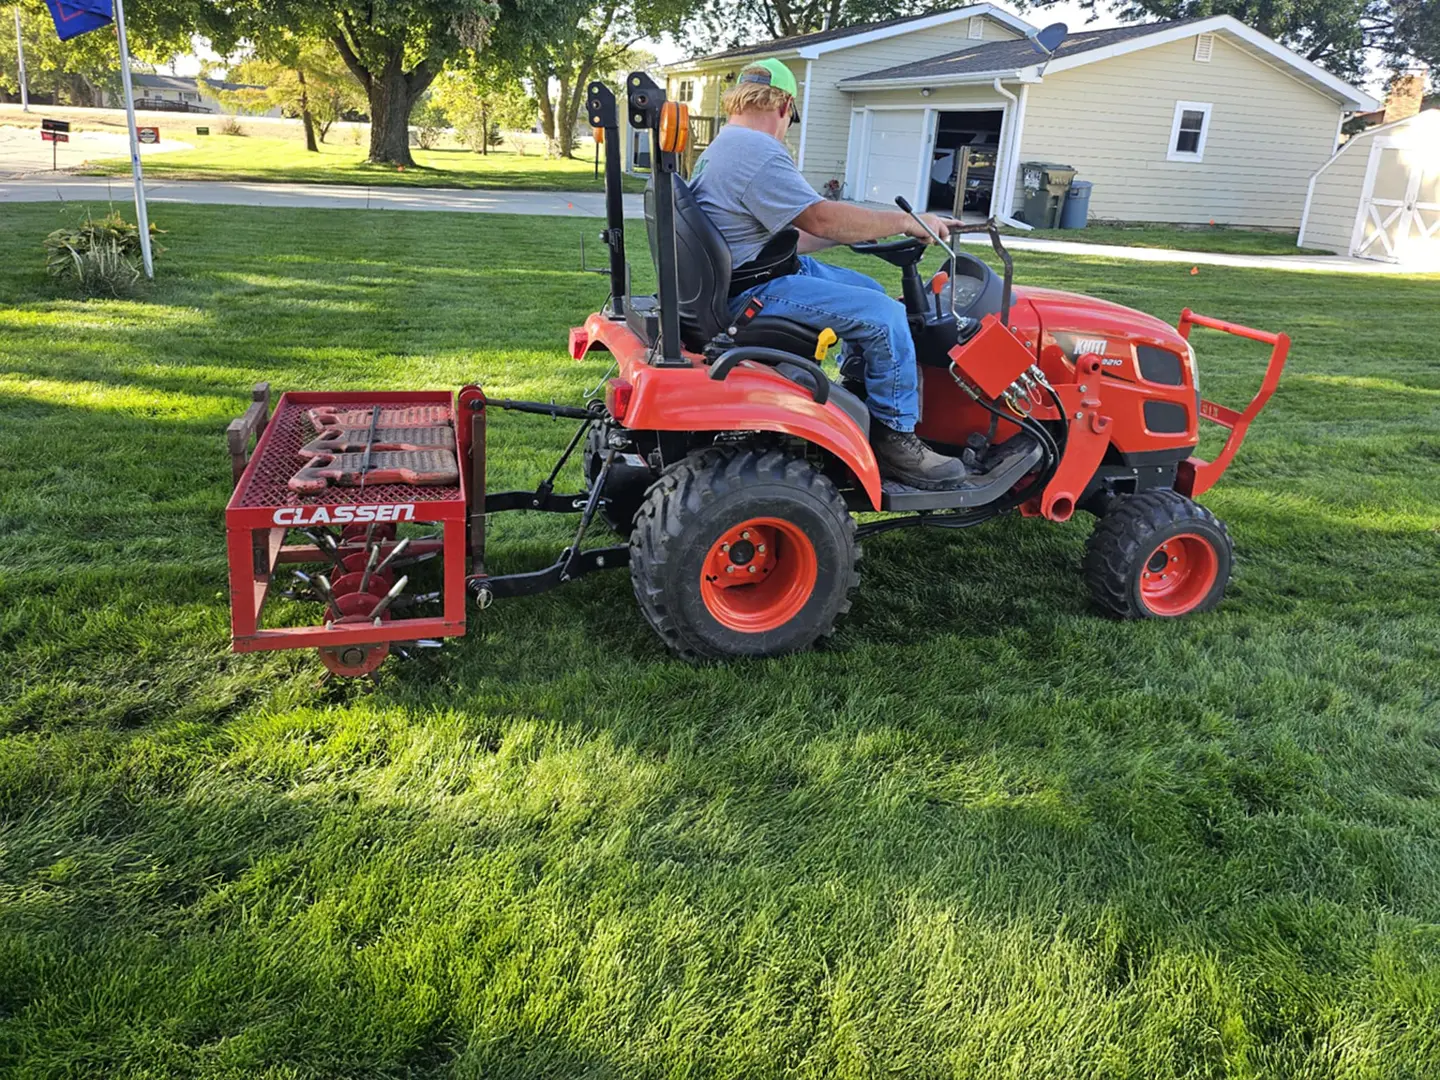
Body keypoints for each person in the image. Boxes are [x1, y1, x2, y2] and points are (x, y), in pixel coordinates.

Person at [688, 57, 968, 490]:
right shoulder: (758, 152)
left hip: (754, 269)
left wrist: (861, 232)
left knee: (871, 290)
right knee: (886, 317)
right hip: (753, 291)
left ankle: (861, 397)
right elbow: (819, 218)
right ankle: (896, 438)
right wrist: (904, 221)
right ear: (784, 106)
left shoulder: (723, 146)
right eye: (792, 118)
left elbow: (798, 234)